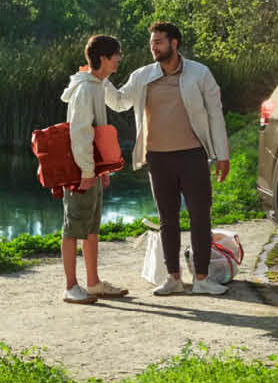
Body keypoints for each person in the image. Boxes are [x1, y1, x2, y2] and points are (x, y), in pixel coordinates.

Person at [103, 22, 231, 295]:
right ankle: (173, 278)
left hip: (193, 155)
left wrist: (223, 155)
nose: (153, 47)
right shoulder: (142, 76)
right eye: (152, 42)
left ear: (174, 43)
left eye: (159, 42)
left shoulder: (200, 73)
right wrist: (99, 78)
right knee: (167, 219)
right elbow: (119, 102)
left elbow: (215, 114)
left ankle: (202, 279)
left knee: (200, 216)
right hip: (158, 157)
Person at [59, 35, 130, 304]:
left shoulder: (97, 86)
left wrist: (102, 171)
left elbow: (97, 134)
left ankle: (93, 283)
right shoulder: (86, 89)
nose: (119, 60)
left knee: (90, 227)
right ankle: (70, 287)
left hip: (92, 170)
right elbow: (79, 133)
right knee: (72, 227)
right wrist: (88, 172)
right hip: (80, 171)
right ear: (103, 58)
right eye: (116, 55)